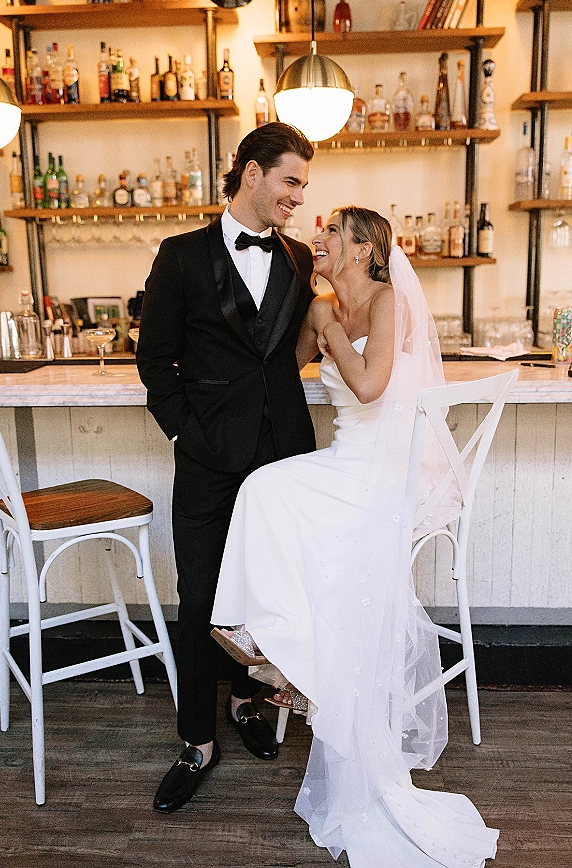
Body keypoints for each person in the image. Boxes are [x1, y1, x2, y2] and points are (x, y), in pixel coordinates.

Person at [211, 207, 499, 867]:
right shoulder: (330, 300)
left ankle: (285, 660)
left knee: (274, 499)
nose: (323, 237)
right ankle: (274, 650)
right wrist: (307, 308)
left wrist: (326, 323)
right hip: (348, 463)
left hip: (380, 479)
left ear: (368, 247)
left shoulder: (387, 297)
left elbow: (369, 386)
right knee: (265, 491)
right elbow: (288, 367)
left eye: (335, 231)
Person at [136, 122, 317, 813]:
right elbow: (156, 361)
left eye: (302, 183)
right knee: (203, 594)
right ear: (250, 173)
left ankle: (245, 703)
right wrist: (188, 432)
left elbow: (302, 342)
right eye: (290, 181)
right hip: (209, 455)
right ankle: (196, 741)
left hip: (284, 457)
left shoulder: (301, 258)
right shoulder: (180, 256)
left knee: (266, 588)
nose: (298, 196)